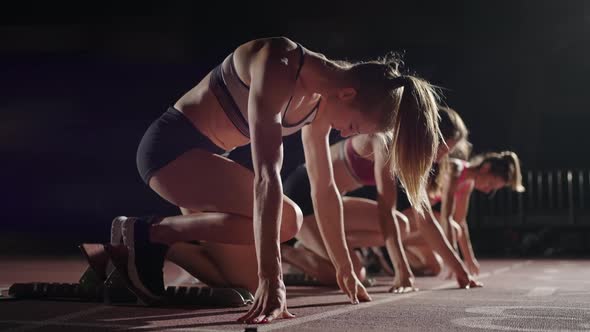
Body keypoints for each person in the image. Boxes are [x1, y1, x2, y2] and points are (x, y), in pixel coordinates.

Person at [107, 36, 441, 324]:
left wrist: (343, 267)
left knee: (247, 284)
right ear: (348, 94)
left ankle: (125, 253)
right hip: (169, 153)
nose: (346, 134)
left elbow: (324, 188)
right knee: (289, 220)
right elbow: (267, 175)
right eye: (354, 127)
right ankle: (149, 232)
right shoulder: (279, 62)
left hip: (205, 168)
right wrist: (274, 276)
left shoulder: (324, 99)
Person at [282, 107, 481, 292]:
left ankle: (314, 245)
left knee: (402, 225)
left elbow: (426, 220)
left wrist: (460, 271)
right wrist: (402, 270)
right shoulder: (385, 141)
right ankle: (285, 250)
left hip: (331, 201)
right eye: (442, 151)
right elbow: (386, 212)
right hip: (302, 198)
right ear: (429, 137)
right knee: (352, 273)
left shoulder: (413, 159)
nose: (439, 160)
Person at [400, 151, 525, 277]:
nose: (487, 191)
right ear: (485, 168)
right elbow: (446, 218)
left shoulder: (468, 184)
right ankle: (390, 245)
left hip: (419, 222)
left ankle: (392, 257)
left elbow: (461, 222)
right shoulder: (456, 169)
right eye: (490, 184)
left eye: (492, 190)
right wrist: (456, 263)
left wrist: (470, 260)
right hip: (405, 213)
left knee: (435, 267)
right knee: (452, 229)